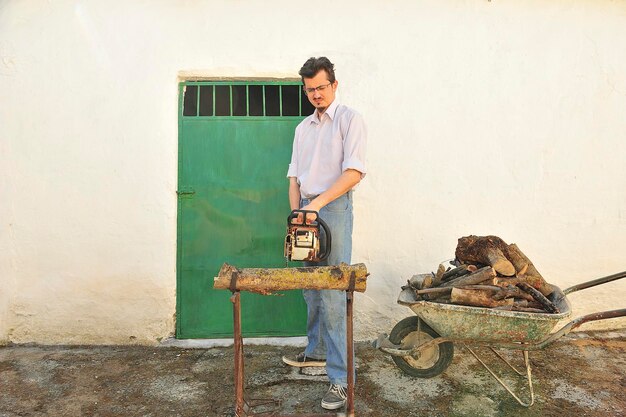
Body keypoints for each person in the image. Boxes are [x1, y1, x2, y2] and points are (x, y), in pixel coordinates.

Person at [282, 57, 367, 411]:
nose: (315, 94)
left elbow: (354, 171)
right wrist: (298, 213)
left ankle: (340, 380)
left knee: (332, 293)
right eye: (309, 90)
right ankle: (316, 353)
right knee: (309, 288)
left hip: (333, 209)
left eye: (320, 87)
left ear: (334, 84)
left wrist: (318, 205)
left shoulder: (349, 120)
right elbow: (294, 177)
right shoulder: (303, 128)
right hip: (306, 210)